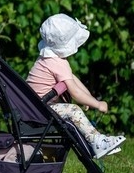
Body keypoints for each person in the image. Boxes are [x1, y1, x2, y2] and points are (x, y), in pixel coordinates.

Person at [26, 13, 126, 159]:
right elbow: (75, 93)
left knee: (72, 108)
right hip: (40, 110)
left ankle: (96, 142)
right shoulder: (58, 63)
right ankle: (97, 142)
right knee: (73, 110)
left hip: (34, 107)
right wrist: (98, 104)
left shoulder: (47, 58)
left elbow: (72, 79)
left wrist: (89, 98)